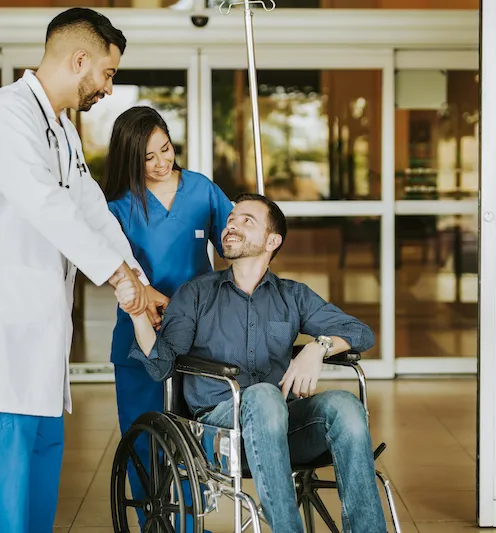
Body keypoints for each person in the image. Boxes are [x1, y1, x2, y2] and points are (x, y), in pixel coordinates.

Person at [115, 193, 388, 533]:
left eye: (247, 221)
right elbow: (161, 365)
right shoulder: (196, 293)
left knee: (344, 405)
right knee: (262, 395)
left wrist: (318, 347)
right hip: (218, 434)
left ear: (272, 241)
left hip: (281, 427)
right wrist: (139, 315)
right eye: (232, 219)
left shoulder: (292, 295)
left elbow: (360, 332)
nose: (232, 225)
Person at [0, 8, 154, 533]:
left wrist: (138, 278)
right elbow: (47, 206)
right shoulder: (9, 116)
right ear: (80, 59)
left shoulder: (62, 130)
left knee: (41, 470)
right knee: (11, 480)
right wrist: (117, 277)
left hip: (43, 341)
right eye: (108, 75)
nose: (108, 89)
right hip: (11, 336)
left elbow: (90, 207)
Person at [103, 105, 233, 529]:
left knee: (194, 445)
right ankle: (153, 526)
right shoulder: (118, 207)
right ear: (129, 158)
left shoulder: (200, 190)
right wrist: (140, 294)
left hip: (199, 338)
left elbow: (231, 242)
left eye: (167, 149)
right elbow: (110, 269)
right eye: (149, 157)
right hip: (139, 337)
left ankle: (190, 524)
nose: (163, 163)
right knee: (144, 442)